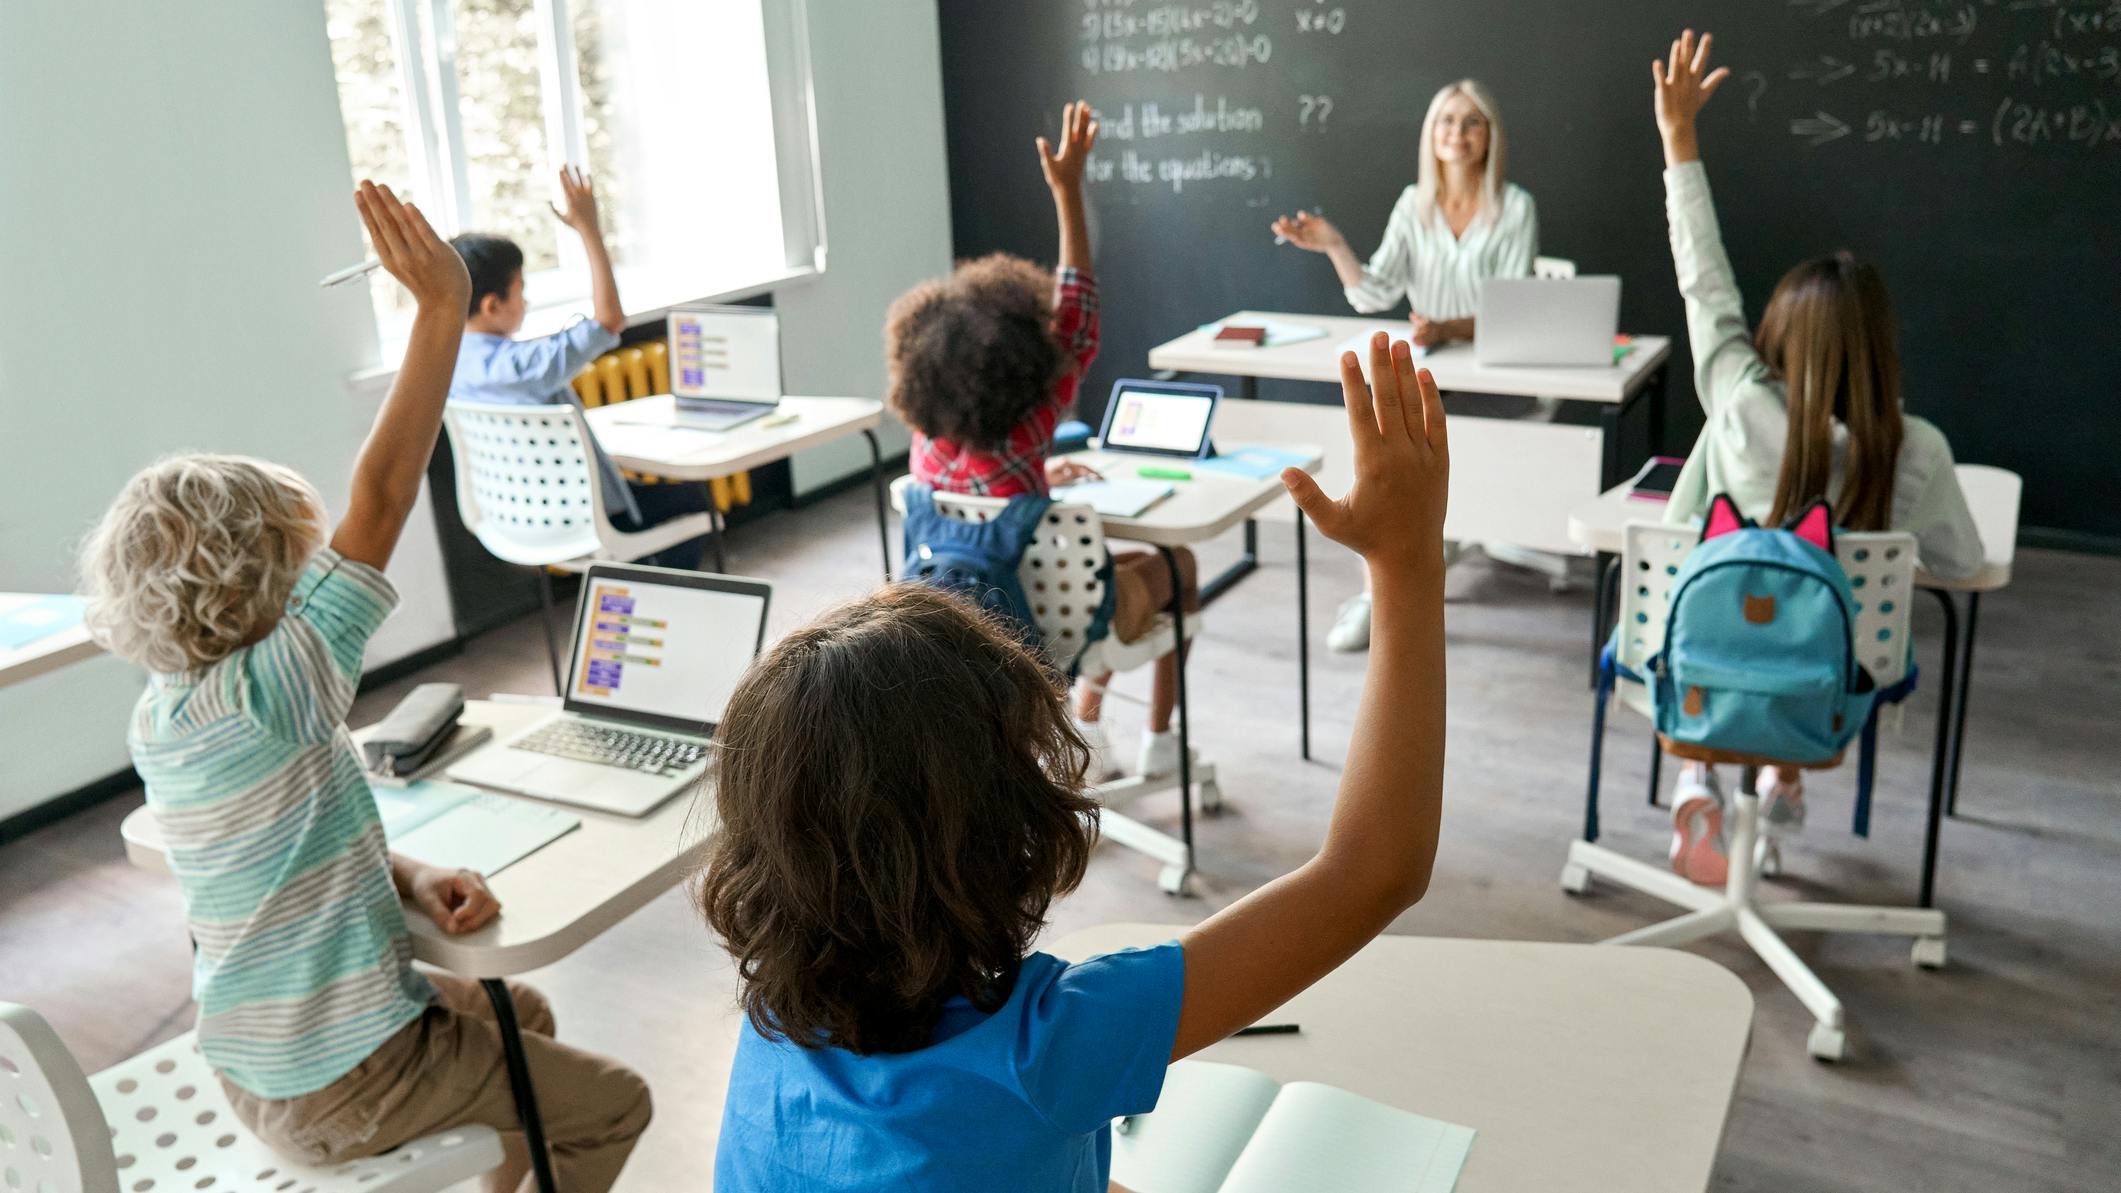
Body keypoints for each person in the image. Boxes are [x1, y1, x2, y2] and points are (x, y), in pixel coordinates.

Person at [703, 333, 1451, 1192]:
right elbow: (1375, 871)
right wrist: (1405, 566)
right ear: (1008, 827)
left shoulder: (770, 1025)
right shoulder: (1045, 1049)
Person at [80, 182, 651, 1193]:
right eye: (301, 558)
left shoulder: (165, 714)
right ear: (268, 580)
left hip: (263, 1065)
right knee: (616, 1102)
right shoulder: (283, 682)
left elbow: (284, 845)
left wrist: (412, 875)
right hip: (350, 1076)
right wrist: (439, 307)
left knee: (524, 1019)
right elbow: (384, 492)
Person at [1650, 30, 1984, 884]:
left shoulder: (1736, 399)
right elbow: (1958, 563)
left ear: (1777, 340)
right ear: (1880, 348)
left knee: (1743, 606)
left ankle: (1696, 770)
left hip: (1697, 660)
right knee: (1811, 627)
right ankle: (1782, 773)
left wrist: (1677, 139)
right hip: (1830, 686)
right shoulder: (1915, 449)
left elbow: (1704, 282)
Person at [886, 100, 1200, 780]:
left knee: (1101, 564)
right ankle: (1154, 740)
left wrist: (1039, 484)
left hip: (968, 623)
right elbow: (1078, 314)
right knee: (1176, 561)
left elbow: (990, 473)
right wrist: (1066, 190)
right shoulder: (1032, 423)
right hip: (1054, 624)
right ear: (1024, 361)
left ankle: (1092, 731)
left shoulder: (924, 442)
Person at [1270, 80, 1542, 651]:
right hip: (1426, 371)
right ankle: (1378, 594)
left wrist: (1449, 327)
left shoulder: (1514, 206)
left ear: (1490, 135)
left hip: (1493, 378)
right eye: (1447, 121)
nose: (1458, 134)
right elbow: (1374, 293)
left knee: (1410, 430)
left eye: (1472, 122)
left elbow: (1514, 306)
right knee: (1373, 444)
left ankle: (1414, 567)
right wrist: (1336, 246)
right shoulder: (1412, 205)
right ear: (1431, 134)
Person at [448, 165, 711, 568]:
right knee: (692, 500)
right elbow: (609, 321)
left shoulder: (445, 366)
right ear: (492, 305)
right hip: (592, 521)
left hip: (514, 524)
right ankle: (672, 603)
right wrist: (589, 229)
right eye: (522, 291)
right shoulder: (528, 367)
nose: (527, 303)